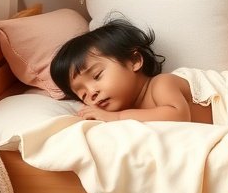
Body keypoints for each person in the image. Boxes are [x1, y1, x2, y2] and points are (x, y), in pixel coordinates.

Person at [50, 19, 213, 124]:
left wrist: (117, 117)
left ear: (134, 61)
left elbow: (178, 116)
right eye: (82, 94)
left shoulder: (161, 84)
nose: (91, 93)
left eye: (97, 75)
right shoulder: (130, 112)